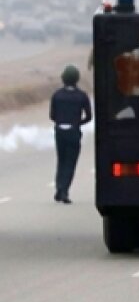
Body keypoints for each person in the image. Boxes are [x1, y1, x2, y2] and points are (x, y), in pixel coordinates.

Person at [49, 64, 92, 204]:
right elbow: (89, 116)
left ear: (63, 79)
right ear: (77, 79)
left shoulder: (57, 95)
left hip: (60, 131)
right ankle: (64, 191)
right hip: (74, 132)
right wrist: (78, 123)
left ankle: (59, 188)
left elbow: (52, 116)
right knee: (70, 163)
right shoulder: (82, 96)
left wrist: (61, 122)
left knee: (61, 160)